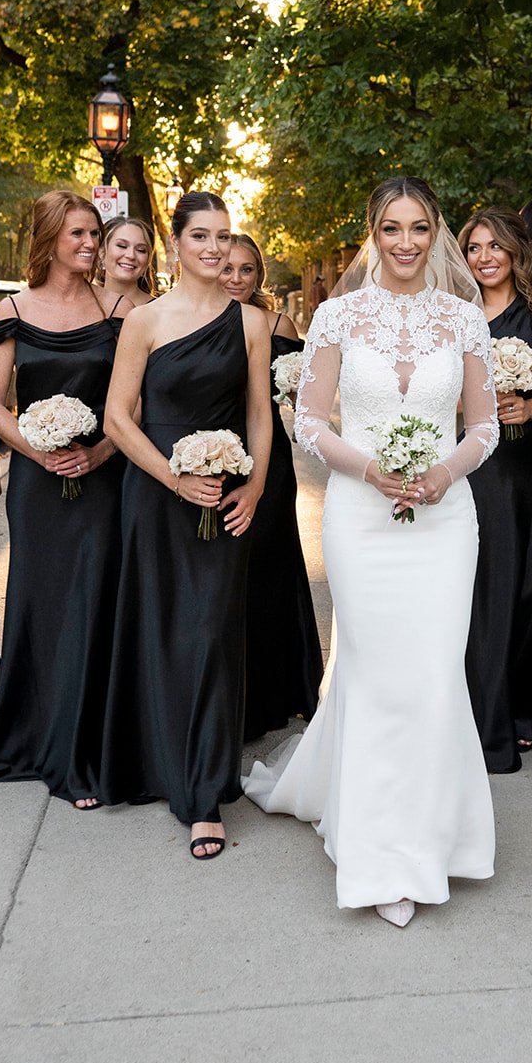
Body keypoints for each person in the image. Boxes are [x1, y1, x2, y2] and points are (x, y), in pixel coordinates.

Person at [245, 176, 498, 928]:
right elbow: (309, 420)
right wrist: (371, 470)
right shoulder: (336, 315)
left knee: (430, 672)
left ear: (435, 232)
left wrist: (442, 473)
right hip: (360, 517)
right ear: (372, 234)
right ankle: (380, 854)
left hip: (445, 522)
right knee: (377, 672)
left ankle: (432, 840)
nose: (406, 242)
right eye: (392, 228)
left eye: (419, 228)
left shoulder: (463, 318)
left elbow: (482, 427)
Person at [101, 192, 272, 858]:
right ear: (175, 244)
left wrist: (253, 484)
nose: (213, 247)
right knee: (162, 630)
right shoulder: (144, 320)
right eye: (199, 235)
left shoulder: (252, 323)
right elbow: (119, 417)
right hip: (156, 493)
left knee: (208, 636)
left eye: (223, 237)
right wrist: (173, 478)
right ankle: (159, 764)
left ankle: (202, 795)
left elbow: (259, 414)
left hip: (224, 495)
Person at [0, 192, 126, 808]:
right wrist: (35, 453)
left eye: (95, 233)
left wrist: (99, 453)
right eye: (77, 235)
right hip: (38, 485)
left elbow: (133, 403)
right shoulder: (11, 311)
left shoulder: (117, 308)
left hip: (103, 476)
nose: (90, 245)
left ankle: (85, 749)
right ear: (48, 239)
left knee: (94, 600)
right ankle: (39, 738)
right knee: (42, 602)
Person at [458, 207, 532, 770]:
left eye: (494, 246)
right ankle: (490, 710)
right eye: (474, 247)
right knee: (490, 588)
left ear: (513, 251)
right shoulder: (452, 316)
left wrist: (530, 404)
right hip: (480, 469)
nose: (484, 257)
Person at [220, 233, 322, 741]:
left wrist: (296, 383)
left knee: (273, 564)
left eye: (247, 270)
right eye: (229, 268)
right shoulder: (197, 318)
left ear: (259, 276)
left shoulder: (277, 323)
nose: (236, 279)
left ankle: (286, 685)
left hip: (269, 457)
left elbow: (306, 390)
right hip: (214, 451)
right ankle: (236, 689)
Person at [99, 215, 156, 309]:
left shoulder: (161, 311)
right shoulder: (82, 306)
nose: (131, 255)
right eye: (122, 246)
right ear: (101, 252)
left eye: (141, 250)